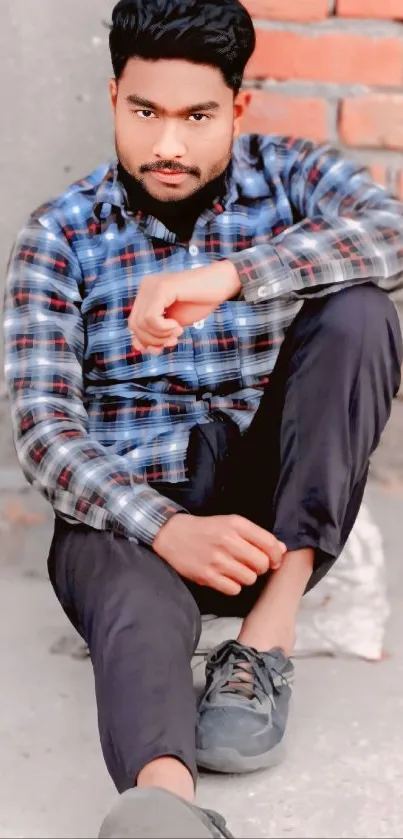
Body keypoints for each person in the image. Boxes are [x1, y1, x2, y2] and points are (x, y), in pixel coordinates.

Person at [4, 0, 403, 836]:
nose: (168, 146)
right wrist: (163, 527)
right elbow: (42, 429)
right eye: (144, 112)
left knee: (360, 311)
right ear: (114, 97)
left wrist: (230, 276)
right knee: (122, 581)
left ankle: (263, 643)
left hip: (272, 522)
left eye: (196, 116)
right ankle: (167, 811)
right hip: (131, 514)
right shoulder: (58, 233)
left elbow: (391, 233)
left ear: (238, 108)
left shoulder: (287, 174)